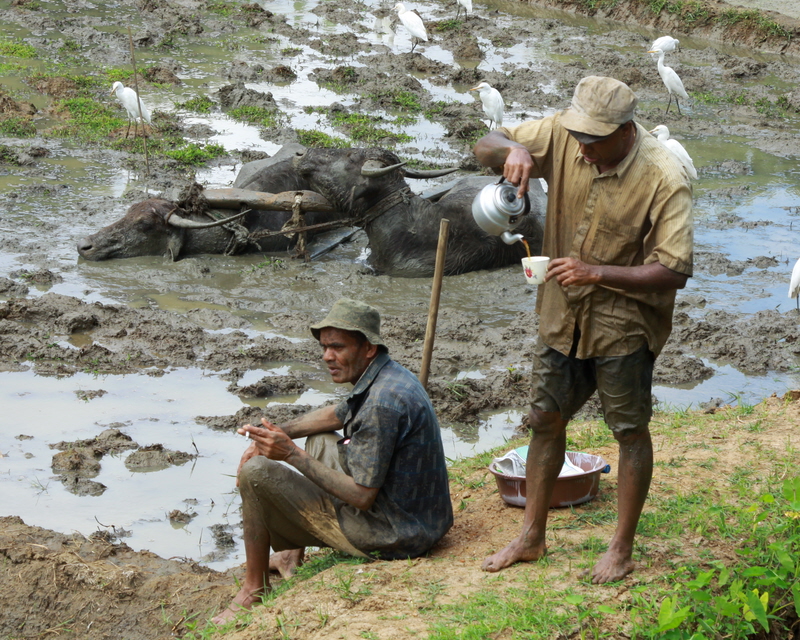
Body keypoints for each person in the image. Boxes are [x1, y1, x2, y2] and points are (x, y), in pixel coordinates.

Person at [473, 76, 693, 584]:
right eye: (580, 140)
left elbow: (675, 270)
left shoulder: (664, 176)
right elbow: (486, 143)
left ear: (625, 131)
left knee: (629, 430)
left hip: (625, 324)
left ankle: (621, 546)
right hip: (561, 313)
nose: (584, 150)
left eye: (595, 142)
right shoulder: (564, 135)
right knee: (544, 418)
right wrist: (513, 150)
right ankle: (531, 534)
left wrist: (598, 272)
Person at [212, 298, 453, 624]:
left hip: (396, 535)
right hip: (420, 518)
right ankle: (291, 554)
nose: (327, 356)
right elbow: (335, 415)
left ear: (368, 347)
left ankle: (254, 589)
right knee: (320, 441)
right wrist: (274, 432)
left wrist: (290, 454)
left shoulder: (382, 403)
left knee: (256, 473)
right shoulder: (385, 376)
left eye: (337, 347)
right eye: (325, 347)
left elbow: (362, 497)